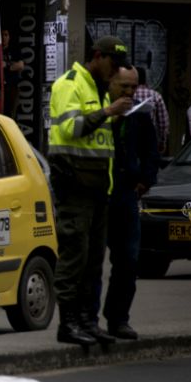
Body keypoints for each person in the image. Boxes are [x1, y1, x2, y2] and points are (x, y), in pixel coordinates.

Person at [46, 35, 133, 346]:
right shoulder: (70, 83)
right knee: (73, 258)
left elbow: (101, 144)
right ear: (97, 56)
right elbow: (71, 129)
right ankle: (67, 324)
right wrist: (107, 113)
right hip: (75, 186)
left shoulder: (99, 89)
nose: (116, 71)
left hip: (98, 189)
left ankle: (87, 322)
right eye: (113, 63)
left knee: (93, 262)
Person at [85, 66, 160, 341]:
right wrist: (112, 116)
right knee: (93, 263)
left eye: (133, 87)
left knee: (128, 260)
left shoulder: (140, 115)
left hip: (127, 194)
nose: (129, 93)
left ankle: (119, 319)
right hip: (100, 194)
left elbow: (152, 150)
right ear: (111, 83)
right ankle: (90, 320)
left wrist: (146, 179)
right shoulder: (102, 111)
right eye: (124, 86)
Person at [133, 67, 169, 154]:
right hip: (149, 139)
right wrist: (162, 142)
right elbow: (163, 123)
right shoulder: (156, 96)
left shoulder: (129, 95)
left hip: (131, 138)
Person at [1, 28, 24, 118]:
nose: (3, 38)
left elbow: (20, 65)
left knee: (11, 114)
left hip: (12, 87)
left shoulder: (14, 50)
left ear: (9, 37)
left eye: (6, 35)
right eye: (2, 35)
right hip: (0, 88)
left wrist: (6, 65)